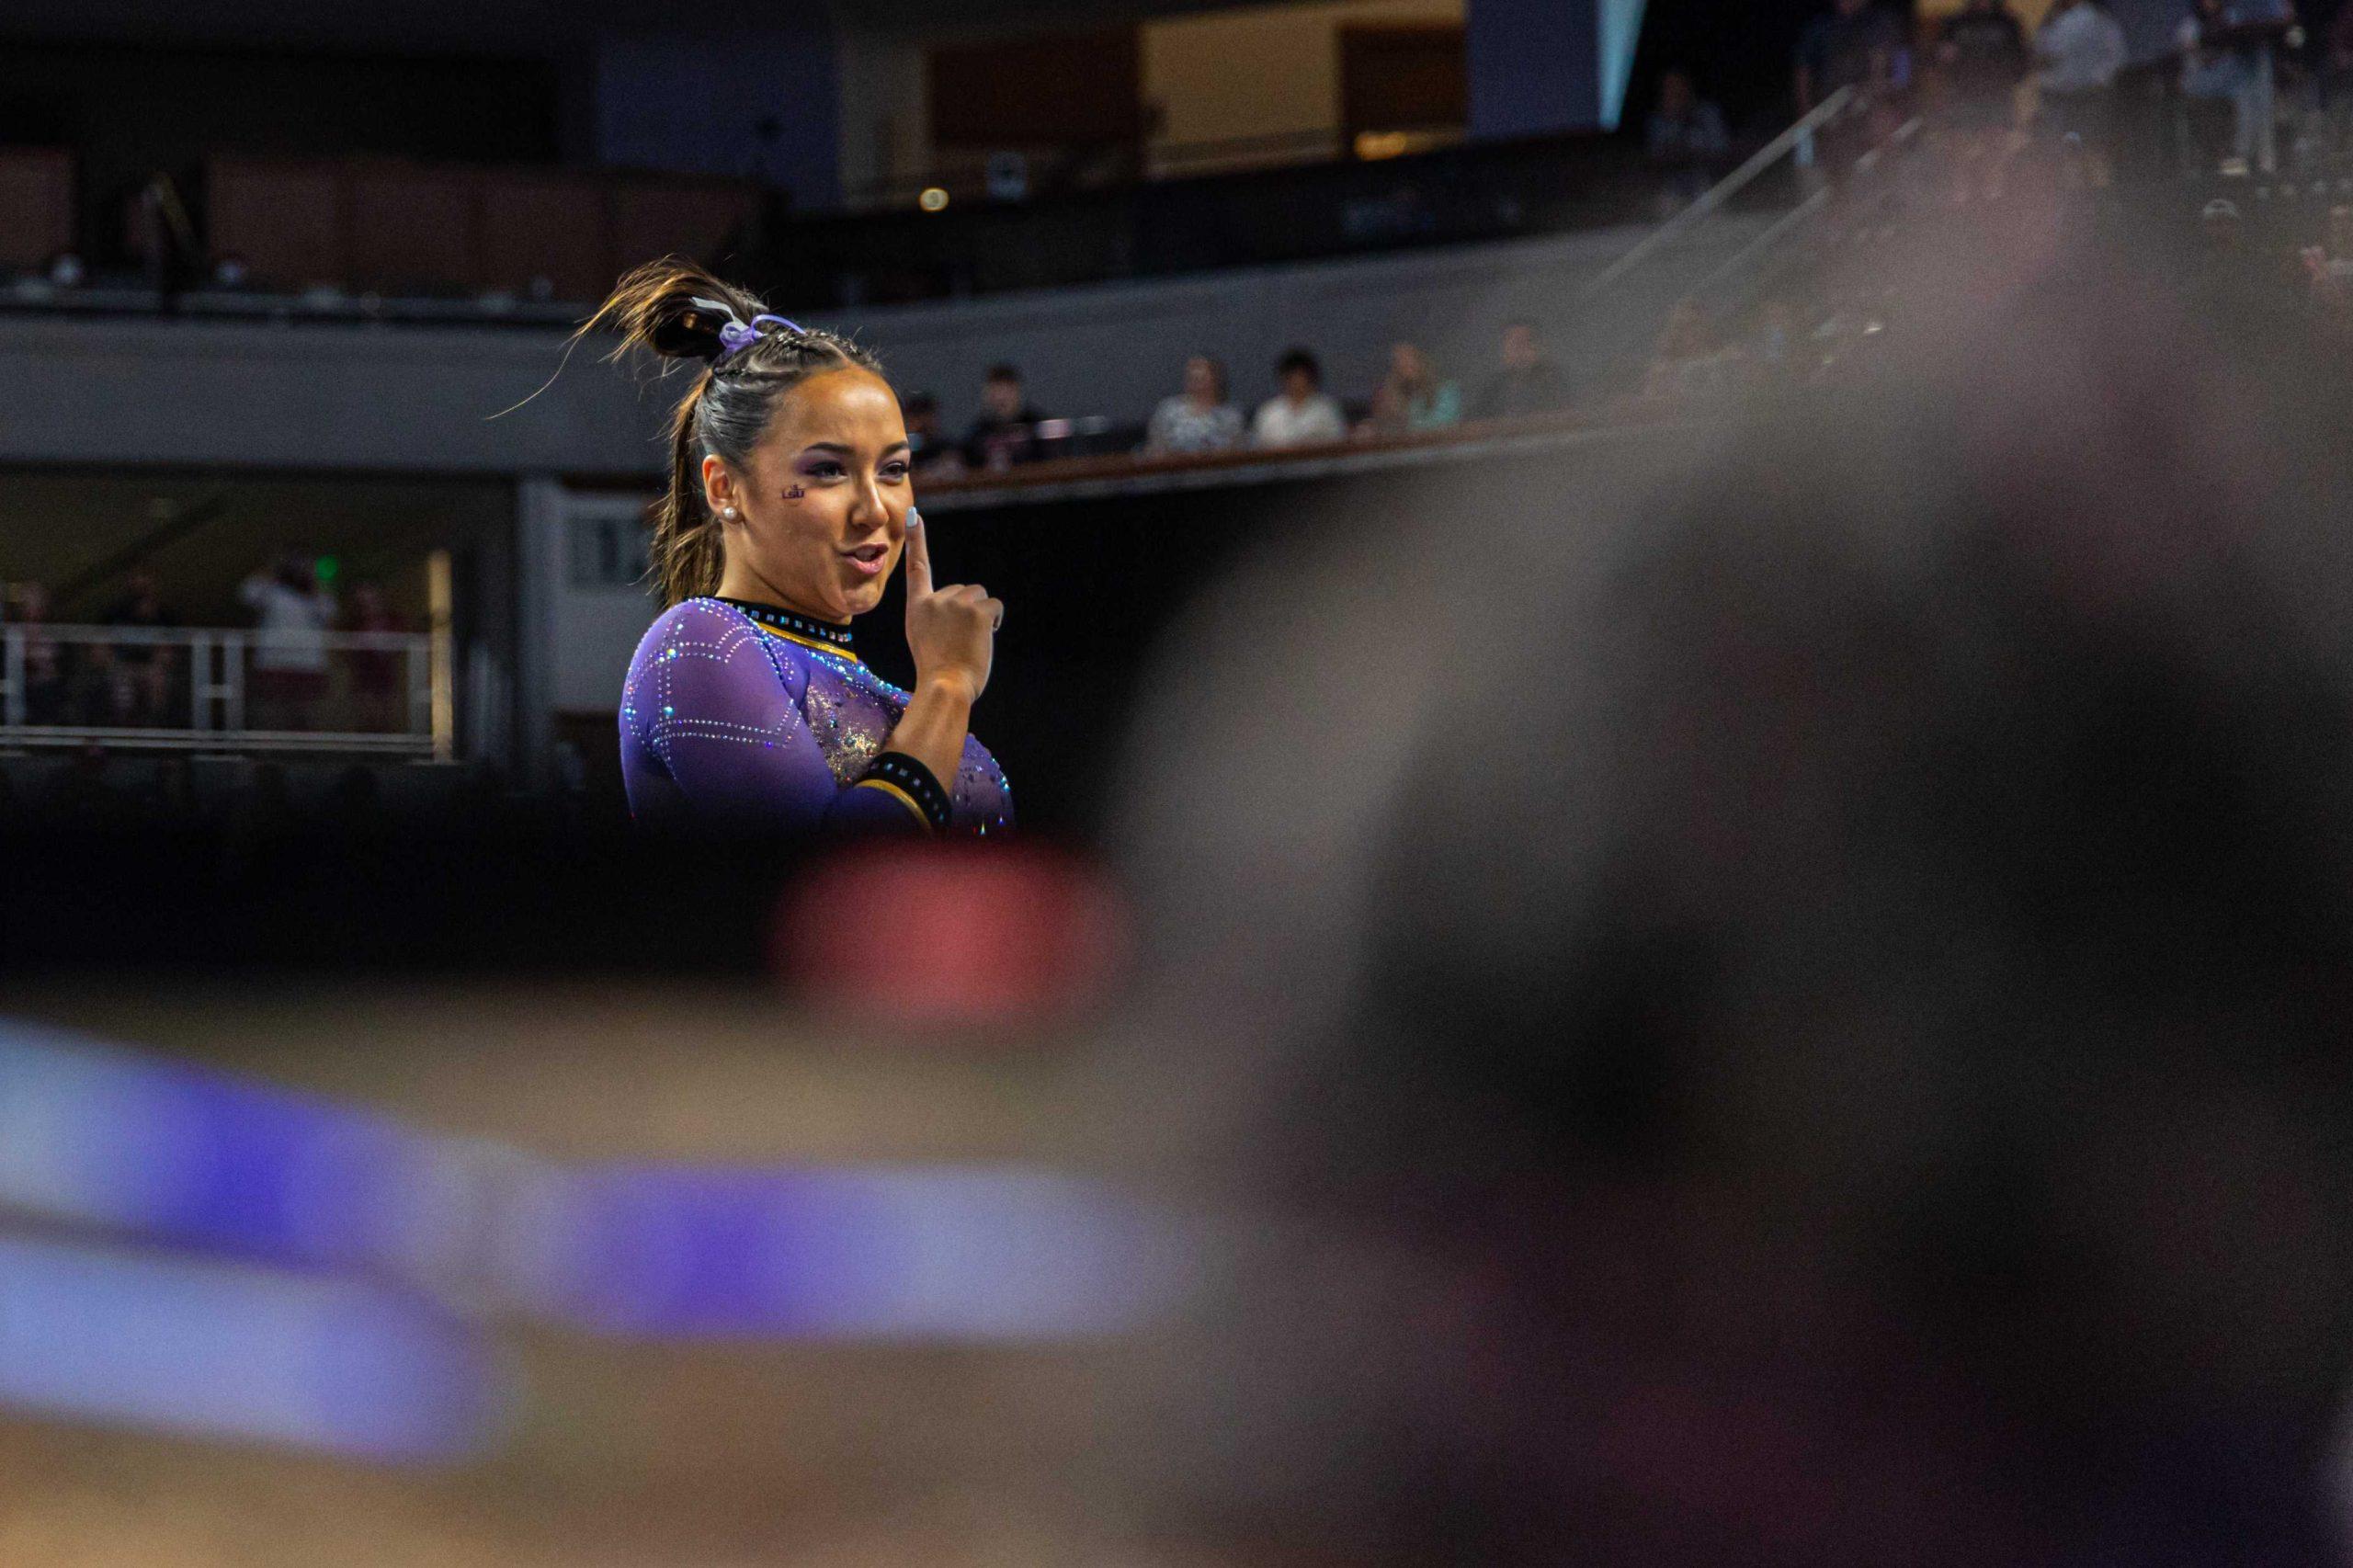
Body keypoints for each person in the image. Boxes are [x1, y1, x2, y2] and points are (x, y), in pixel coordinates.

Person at [595, 260, 1011, 835]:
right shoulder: (700, 644)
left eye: (893, 469)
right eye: (829, 471)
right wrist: (946, 686)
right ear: (726, 488)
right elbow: (831, 882)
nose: (875, 509)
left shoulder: (874, 686)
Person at [2178, 0, 2295, 175]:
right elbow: (2197, 55)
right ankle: (2244, 157)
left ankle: (2253, 158)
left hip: (2236, 82)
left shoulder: (2232, 15)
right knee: (2248, 80)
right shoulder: (2191, 24)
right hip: (2201, 82)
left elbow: (2284, 18)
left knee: (2251, 85)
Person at [239, 553, 336, 733]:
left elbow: (329, 614)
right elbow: (248, 595)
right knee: (272, 710)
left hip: (308, 663)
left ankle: (304, 753)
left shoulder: (317, 594)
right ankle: (268, 753)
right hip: (273, 660)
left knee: (305, 711)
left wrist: (314, 580)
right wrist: (274, 569)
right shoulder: (273, 590)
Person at [2035, 0, 2129, 157]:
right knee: (2056, 148)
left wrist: (2099, 78)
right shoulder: (2052, 17)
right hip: (2056, 94)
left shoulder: (2097, 18)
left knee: (2087, 146)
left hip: (2086, 95)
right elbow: (2041, 51)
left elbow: (2116, 54)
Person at [98, 570, 176, 728]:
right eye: (135, 590)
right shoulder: (114, 613)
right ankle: (123, 728)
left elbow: (169, 651)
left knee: (157, 680)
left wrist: (157, 663)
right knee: (122, 685)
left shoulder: (164, 616)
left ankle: (154, 727)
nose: (139, 596)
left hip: (151, 668)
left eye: (144, 589)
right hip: (121, 666)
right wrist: (114, 663)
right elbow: (101, 646)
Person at [1644, 69, 1731, 209]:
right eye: (1669, 88)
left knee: (1710, 197)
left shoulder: (1707, 114)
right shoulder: (1658, 122)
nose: (1674, 92)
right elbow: (1655, 160)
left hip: (1707, 183)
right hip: (1672, 187)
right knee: (1664, 203)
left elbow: (1721, 152)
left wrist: (1690, 153)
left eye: (1678, 86)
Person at [1143, 356, 1245, 456]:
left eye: (1201, 371)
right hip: (1174, 468)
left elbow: (1234, 451)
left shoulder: (1230, 416)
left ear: (1216, 377)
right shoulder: (1168, 410)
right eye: (1192, 372)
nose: (1196, 374)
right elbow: (1156, 447)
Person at [1471, 322, 1572, 421]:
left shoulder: (1556, 379)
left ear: (1539, 347)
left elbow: (1569, 415)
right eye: (1513, 343)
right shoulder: (1494, 385)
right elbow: (1474, 420)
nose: (1519, 349)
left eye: (1525, 342)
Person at [1251, 348, 1348, 449]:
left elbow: (1338, 443)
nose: (1296, 382)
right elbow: (1258, 446)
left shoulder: (1327, 410)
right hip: (1277, 464)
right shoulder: (1269, 412)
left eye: (1301, 376)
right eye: (1292, 377)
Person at [343, 582, 407, 735]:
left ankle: (387, 747)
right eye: (363, 600)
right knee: (367, 715)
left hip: (385, 672)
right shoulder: (353, 622)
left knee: (386, 714)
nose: (368, 604)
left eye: (372, 598)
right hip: (363, 672)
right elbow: (345, 646)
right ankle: (367, 749)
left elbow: (401, 642)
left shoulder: (392, 619)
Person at [960, 363, 1049, 471]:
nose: (1001, 398)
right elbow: (965, 463)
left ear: (1018, 392)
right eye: (995, 392)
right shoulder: (978, 433)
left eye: (1007, 391)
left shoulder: (1038, 426)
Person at [1362, 342, 1461, 437]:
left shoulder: (1447, 390)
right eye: (1398, 361)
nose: (1403, 365)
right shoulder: (1392, 393)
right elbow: (1386, 428)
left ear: (1422, 360)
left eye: (1408, 358)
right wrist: (1373, 428)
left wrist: (1405, 423)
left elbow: (1443, 423)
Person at [900, 392, 964, 479]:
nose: (921, 423)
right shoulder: (901, 453)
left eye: (926, 416)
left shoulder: (948, 449)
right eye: (916, 417)